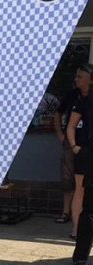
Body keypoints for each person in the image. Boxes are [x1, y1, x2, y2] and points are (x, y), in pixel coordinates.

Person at [54, 65, 92, 227]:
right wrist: (62, 136)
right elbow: (59, 114)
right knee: (68, 178)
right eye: (76, 76)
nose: (76, 79)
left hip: (88, 145)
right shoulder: (72, 96)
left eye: (80, 77)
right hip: (74, 144)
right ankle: (67, 212)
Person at [66, 83, 93, 242]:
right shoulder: (84, 102)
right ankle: (76, 229)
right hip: (85, 152)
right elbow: (71, 126)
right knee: (80, 190)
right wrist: (74, 146)